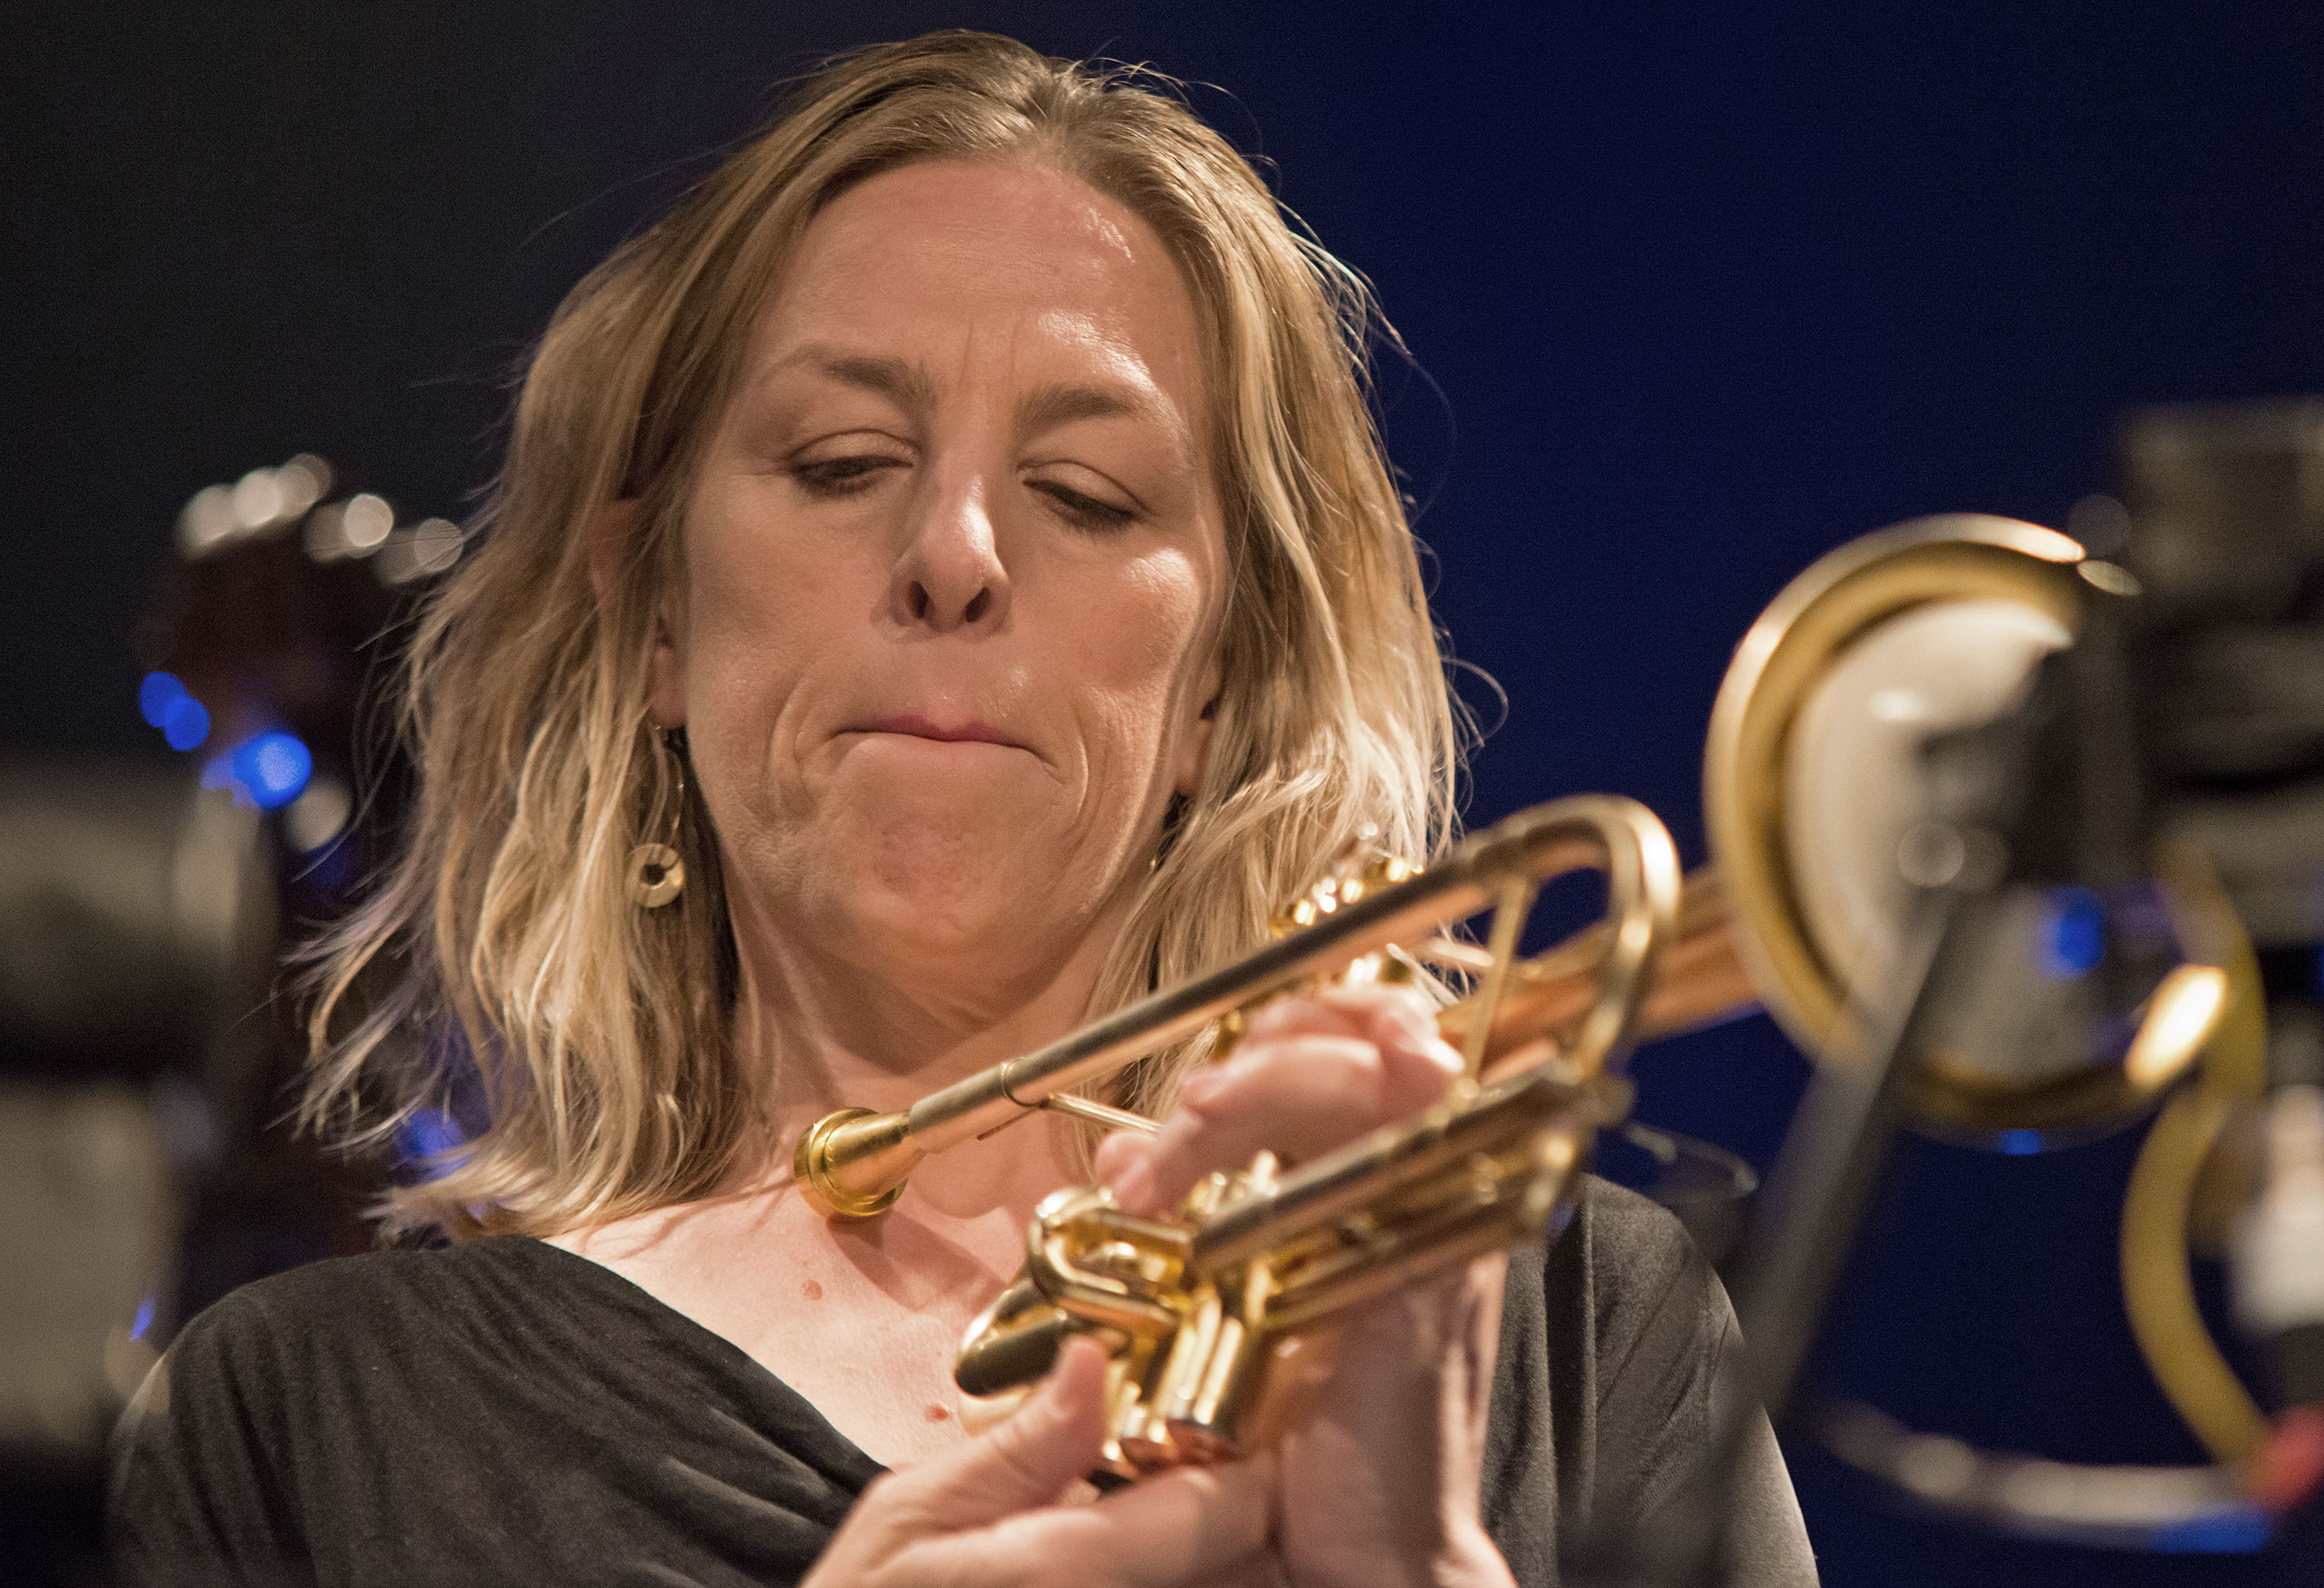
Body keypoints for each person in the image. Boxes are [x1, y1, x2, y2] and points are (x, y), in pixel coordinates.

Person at [108, 31, 1815, 1587]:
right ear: (652, 621)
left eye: (1084, 493)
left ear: (1217, 679)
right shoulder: (301, 1422)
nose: (955, 556)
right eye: (843, 464)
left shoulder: (1584, 1333)